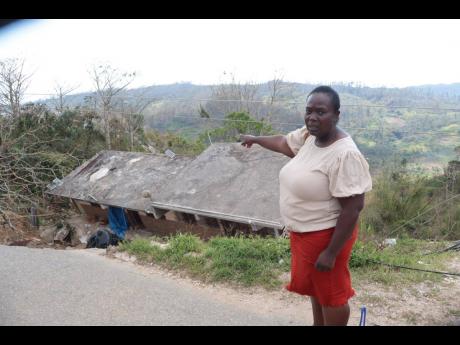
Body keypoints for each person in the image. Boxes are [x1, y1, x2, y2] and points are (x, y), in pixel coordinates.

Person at [240, 85, 372, 326]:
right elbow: (283, 143)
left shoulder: (344, 154)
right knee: (316, 289)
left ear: (336, 115)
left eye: (320, 112)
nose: (312, 117)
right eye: (309, 110)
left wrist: (331, 253)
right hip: (304, 234)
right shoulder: (311, 137)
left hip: (327, 236)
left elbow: (353, 208)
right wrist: (256, 139)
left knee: (332, 295)